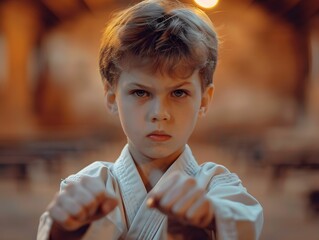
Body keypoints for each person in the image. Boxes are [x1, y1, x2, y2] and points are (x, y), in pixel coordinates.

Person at [37, 0, 263, 239]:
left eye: (178, 93)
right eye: (140, 92)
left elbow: (244, 219)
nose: (159, 113)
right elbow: (55, 227)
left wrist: (209, 216)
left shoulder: (215, 188)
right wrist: (61, 231)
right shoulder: (88, 187)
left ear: (204, 100)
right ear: (112, 97)